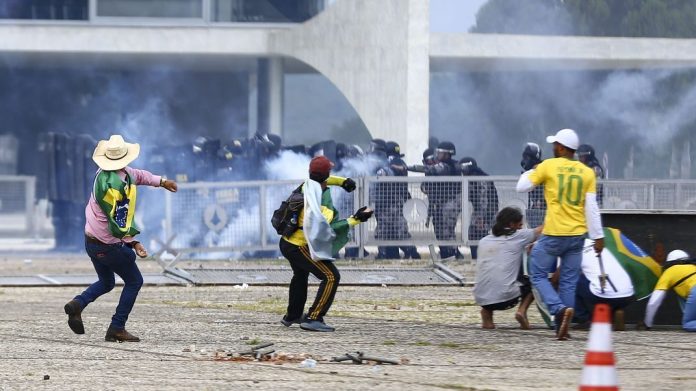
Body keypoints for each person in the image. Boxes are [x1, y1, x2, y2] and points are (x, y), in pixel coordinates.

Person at [63, 135, 178, 342]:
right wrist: (134, 243)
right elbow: (118, 222)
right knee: (135, 280)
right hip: (107, 244)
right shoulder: (110, 189)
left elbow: (139, 175)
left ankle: (78, 304)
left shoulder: (113, 173)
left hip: (91, 241)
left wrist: (161, 181)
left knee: (107, 282)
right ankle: (117, 327)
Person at [516, 128, 604, 340]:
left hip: (554, 233)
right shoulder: (587, 172)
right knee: (568, 281)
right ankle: (561, 326)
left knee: (536, 273)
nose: (552, 147)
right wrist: (599, 237)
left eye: (554, 144)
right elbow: (591, 208)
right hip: (578, 236)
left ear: (562, 148)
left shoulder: (549, 166)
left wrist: (533, 169)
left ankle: (557, 310)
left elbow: (521, 187)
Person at [279, 156, 372, 332]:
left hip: (286, 242)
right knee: (331, 276)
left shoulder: (307, 184)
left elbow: (323, 179)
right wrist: (356, 219)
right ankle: (314, 317)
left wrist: (343, 182)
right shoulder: (321, 202)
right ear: (325, 175)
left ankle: (293, 315)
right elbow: (328, 228)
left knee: (300, 275)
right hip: (298, 246)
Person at [474, 207, 542, 330]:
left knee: (492, 273)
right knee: (536, 280)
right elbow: (543, 229)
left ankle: (487, 317)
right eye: (520, 225)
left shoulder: (484, 240)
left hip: (481, 298)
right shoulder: (518, 235)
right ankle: (522, 311)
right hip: (506, 299)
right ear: (512, 224)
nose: (521, 228)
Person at [574, 239, 635, 331]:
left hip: (604, 296)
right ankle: (613, 314)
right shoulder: (601, 244)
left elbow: (559, 276)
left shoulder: (572, 250)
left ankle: (584, 319)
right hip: (628, 295)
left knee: (570, 281)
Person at [423, 141, 463, 259]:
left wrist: (405, 168)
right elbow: (425, 185)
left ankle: (453, 254)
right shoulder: (441, 165)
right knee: (439, 230)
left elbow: (430, 169)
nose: (438, 155)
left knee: (447, 231)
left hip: (449, 203)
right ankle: (446, 253)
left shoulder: (449, 165)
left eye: (440, 153)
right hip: (439, 204)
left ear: (447, 154)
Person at [644, 250, 696, 331]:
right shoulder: (693, 267)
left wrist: (648, 324)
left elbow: (653, 302)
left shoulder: (670, 271)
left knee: (688, 324)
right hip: (691, 292)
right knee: (679, 291)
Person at [460, 157, 498, 260]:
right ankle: (479, 260)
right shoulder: (476, 177)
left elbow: (483, 200)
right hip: (484, 212)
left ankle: (479, 261)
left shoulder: (480, 179)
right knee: (476, 236)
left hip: (485, 213)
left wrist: (481, 218)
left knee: (476, 235)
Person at [520, 142, 546, 228]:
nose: (524, 161)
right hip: (536, 207)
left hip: (543, 207)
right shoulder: (531, 172)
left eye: (526, 158)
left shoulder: (541, 170)